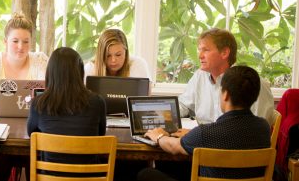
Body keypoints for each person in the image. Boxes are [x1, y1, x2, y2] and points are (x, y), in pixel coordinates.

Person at [138, 65, 271, 181]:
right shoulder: (263, 128)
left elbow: (173, 147)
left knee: (146, 174)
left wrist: (159, 136)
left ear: (225, 95)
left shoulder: (206, 133)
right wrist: (191, 135)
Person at [27, 46, 106, 172]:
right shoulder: (97, 102)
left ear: (50, 73)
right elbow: (100, 135)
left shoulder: (38, 104)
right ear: (80, 72)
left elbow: (32, 135)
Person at [178, 28, 274, 125]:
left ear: (224, 53)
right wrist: (164, 113)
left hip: (234, 139)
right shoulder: (200, 76)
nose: (200, 56)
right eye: (199, 50)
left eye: (206, 50)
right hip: (205, 137)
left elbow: (255, 131)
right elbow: (183, 105)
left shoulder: (253, 84)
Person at [0, 12, 48, 108]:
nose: (21, 47)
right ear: (5, 41)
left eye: (26, 41)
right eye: (15, 41)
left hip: (33, 120)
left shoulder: (40, 60)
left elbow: (51, 92)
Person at [85, 29, 149, 79]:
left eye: (118, 55)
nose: (113, 60)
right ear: (101, 55)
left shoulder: (138, 65)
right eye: (108, 55)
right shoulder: (90, 69)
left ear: (126, 52)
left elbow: (145, 93)